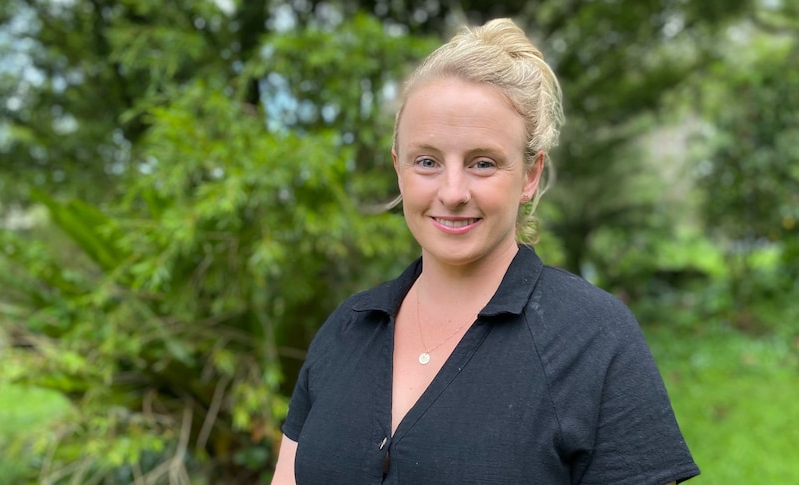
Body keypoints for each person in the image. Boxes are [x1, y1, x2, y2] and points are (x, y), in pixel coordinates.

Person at [271, 18, 700, 485]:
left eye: (483, 163)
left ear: (531, 175)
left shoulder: (594, 340)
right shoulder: (348, 329)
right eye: (428, 161)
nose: (452, 192)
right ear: (399, 169)